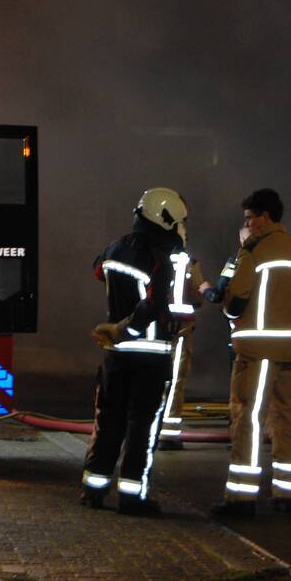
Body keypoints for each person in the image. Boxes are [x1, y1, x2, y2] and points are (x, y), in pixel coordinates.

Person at [212, 189, 291, 517]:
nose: (246, 224)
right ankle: (288, 493)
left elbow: (236, 300)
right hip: (290, 349)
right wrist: (288, 315)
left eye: (249, 218)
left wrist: (227, 307)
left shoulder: (252, 251)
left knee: (248, 418)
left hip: (256, 350)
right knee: (287, 417)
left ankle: (241, 497)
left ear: (264, 217)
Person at [81, 187, 190, 516]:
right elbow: (153, 304)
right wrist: (127, 328)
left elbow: (98, 271)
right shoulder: (159, 258)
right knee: (142, 427)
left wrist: (117, 331)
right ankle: (132, 496)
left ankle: (94, 488)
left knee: (108, 420)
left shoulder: (113, 248)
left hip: (115, 355)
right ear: (166, 219)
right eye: (179, 222)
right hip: (149, 357)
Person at [158, 253, 205, 449]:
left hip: (155, 329)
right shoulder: (190, 263)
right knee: (176, 379)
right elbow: (197, 296)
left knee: (153, 378)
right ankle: (168, 434)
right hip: (182, 329)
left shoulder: (152, 255)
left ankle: (149, 428)